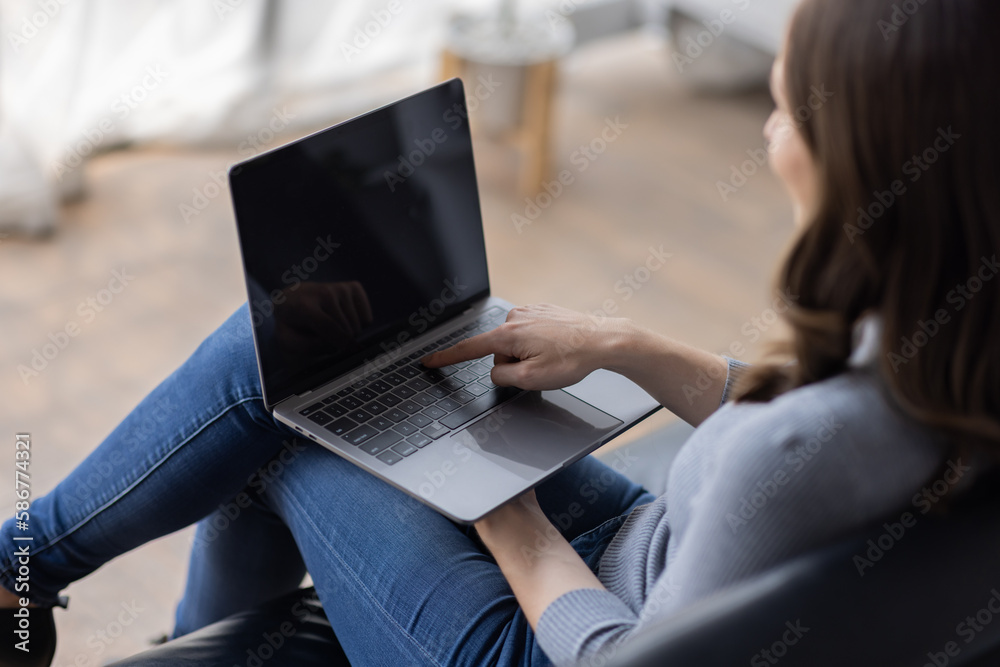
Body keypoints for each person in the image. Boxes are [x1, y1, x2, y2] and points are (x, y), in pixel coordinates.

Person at [2, 0, 999, 664]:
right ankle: (29, 574)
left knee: (284, 395)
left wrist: (502, 512)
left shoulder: (798, 447)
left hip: (550, 640)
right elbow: (803, 436)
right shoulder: (952, 351)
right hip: (639, 551)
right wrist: (626, 345)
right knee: (314, 368)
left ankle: (22, 574)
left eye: (782, 112)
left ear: (855, 156)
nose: (770, 135)